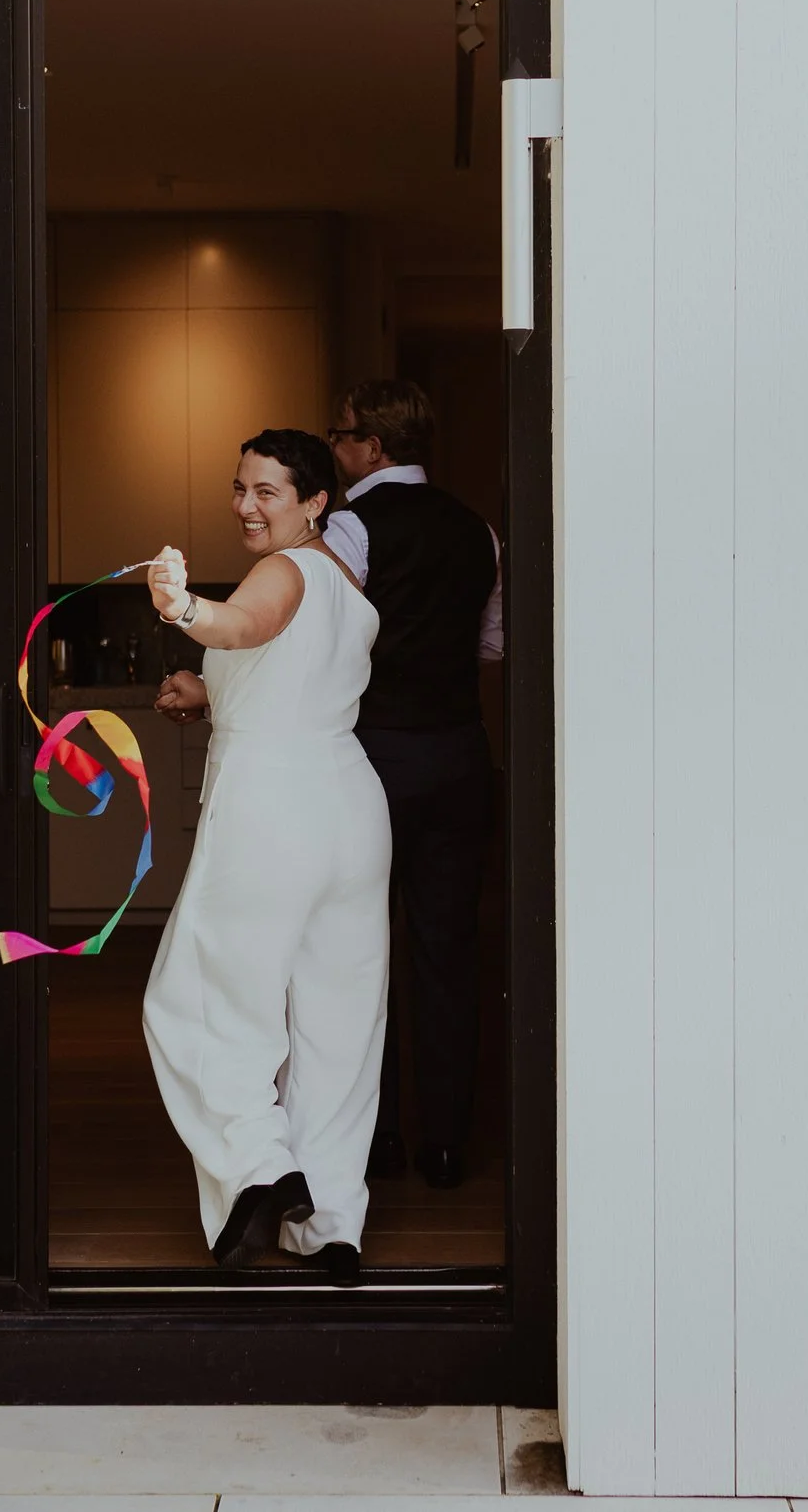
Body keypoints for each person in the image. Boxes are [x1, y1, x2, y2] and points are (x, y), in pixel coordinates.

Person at [141, 428, 390, 1286]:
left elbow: (244, 622)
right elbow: (289, 676)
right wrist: (209, 692)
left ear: (315, 500)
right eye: (239, 487)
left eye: (267, 491)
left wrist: (182, 608)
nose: (246, 505)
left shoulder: (280, 570)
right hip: (349, 807)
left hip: (270, 807)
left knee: (200, 1000)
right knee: (339, 1026)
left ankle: (259, 1167)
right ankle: (333, 1223)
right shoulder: (342, 577)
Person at [321, 378, 502, 1191]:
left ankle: (379, 1137)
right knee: (448, 949)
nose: (335, 446)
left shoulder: (350, 526)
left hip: (373, 756)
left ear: (372, 446)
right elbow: (492, 645)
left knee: (363, 949)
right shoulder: (478, 529)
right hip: (460, 755)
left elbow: (326, 636)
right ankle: (448, 1143)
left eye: (341, 434)